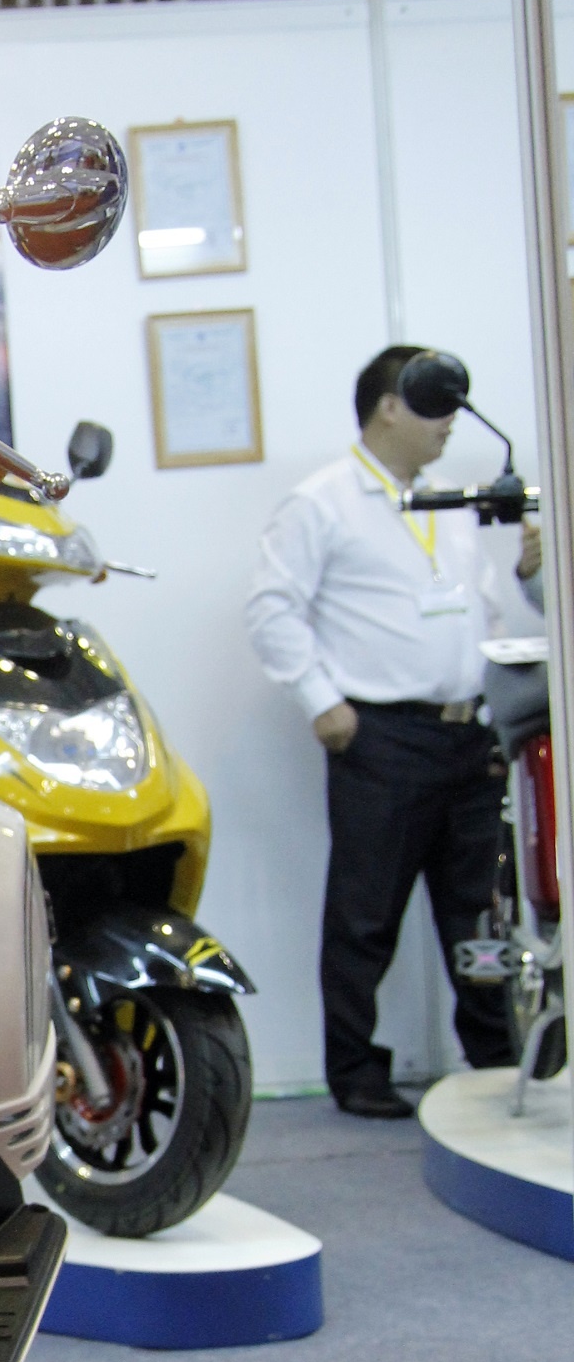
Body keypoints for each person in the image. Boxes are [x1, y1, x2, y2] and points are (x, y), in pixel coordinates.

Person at [245, 343, 511, 1118]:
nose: (450, 422)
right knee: (365, 917)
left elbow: (482, 604)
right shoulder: (322, 501)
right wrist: (321, 702)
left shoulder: (445, 502)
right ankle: (357, 1073)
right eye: (434, 405)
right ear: (389, 406)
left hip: (469, 735)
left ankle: (495, 1057)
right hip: (383, 740)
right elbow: (272, 609)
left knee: (478, 911)